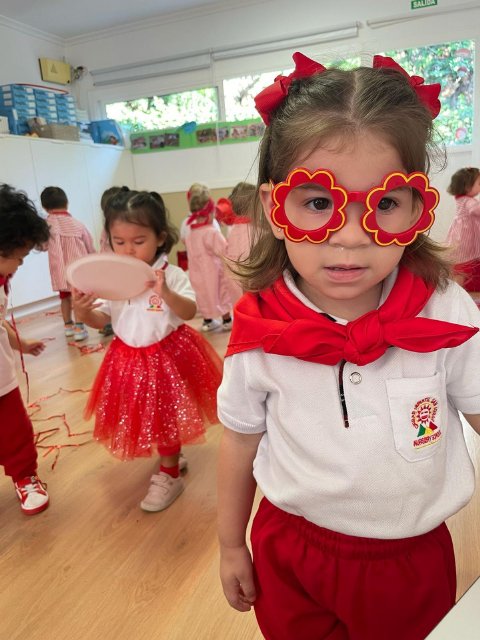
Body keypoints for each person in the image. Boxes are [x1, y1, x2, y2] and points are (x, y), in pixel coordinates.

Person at [216, 52, 480, 640]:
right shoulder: (259, 328)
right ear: (274, 209)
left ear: (416, 207)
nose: (352, 236)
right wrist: (231, 543)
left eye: (384, 203)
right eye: (318, 202)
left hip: (408, 557)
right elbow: (239, 440)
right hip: (291, 548)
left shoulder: (444, 310)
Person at [72, 190, 223, 511]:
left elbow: (188, 311)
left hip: (166, 356)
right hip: (127, 357)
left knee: (165, 412)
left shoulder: (172, 274)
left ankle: (169, 473)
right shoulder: (112, 278)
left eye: (138, 241)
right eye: (119, 241)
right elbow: (103, 318)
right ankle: (172, 455)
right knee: (148, 413)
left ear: (160, 238)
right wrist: (83, 313)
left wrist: (165, 292)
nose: (128, 249)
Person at [0, 183, 51, 514]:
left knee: (15, 430)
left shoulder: (2, 281)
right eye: (16, 258)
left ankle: (25, 476)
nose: (19, 265)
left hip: (2, 379)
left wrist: (21, 343)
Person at [41, 186, 95, 341]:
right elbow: (89, 246)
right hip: (78, 270)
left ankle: (68, 326)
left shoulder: (47, 225)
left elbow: (43, 246)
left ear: (45, 207)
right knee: (78, 298)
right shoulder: (77, 224)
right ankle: (79, 328)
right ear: (67, 203)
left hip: (61, 271)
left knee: (64, 298)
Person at [183, 182, 232, 331]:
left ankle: (208, 321)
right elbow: (224, 250)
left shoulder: (190, 233)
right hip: (213, 273)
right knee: (221, 293)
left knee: (203, 295)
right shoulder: (211, 232)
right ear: (209, 213)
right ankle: (227, 320)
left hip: (197, 274)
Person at [98, 185, 130, 336]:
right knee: (111, 297)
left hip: (123, 268)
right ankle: (110, 320)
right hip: (110, 269)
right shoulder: (106, 230)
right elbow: (103, 247)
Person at [218, 182, 255, 306]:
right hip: (250, 281)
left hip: (233, 279)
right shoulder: (257, 231)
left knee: (239, 306)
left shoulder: (232, 229)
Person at [446, 167, 480, 292]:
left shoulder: (461, 198)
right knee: (463, 263)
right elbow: (476, 210)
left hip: (463, 235)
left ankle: (460, 287)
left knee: (464, 263)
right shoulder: (468, 201)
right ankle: (456, 290)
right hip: (465, 238)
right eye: (479, 184)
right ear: (467, 186)